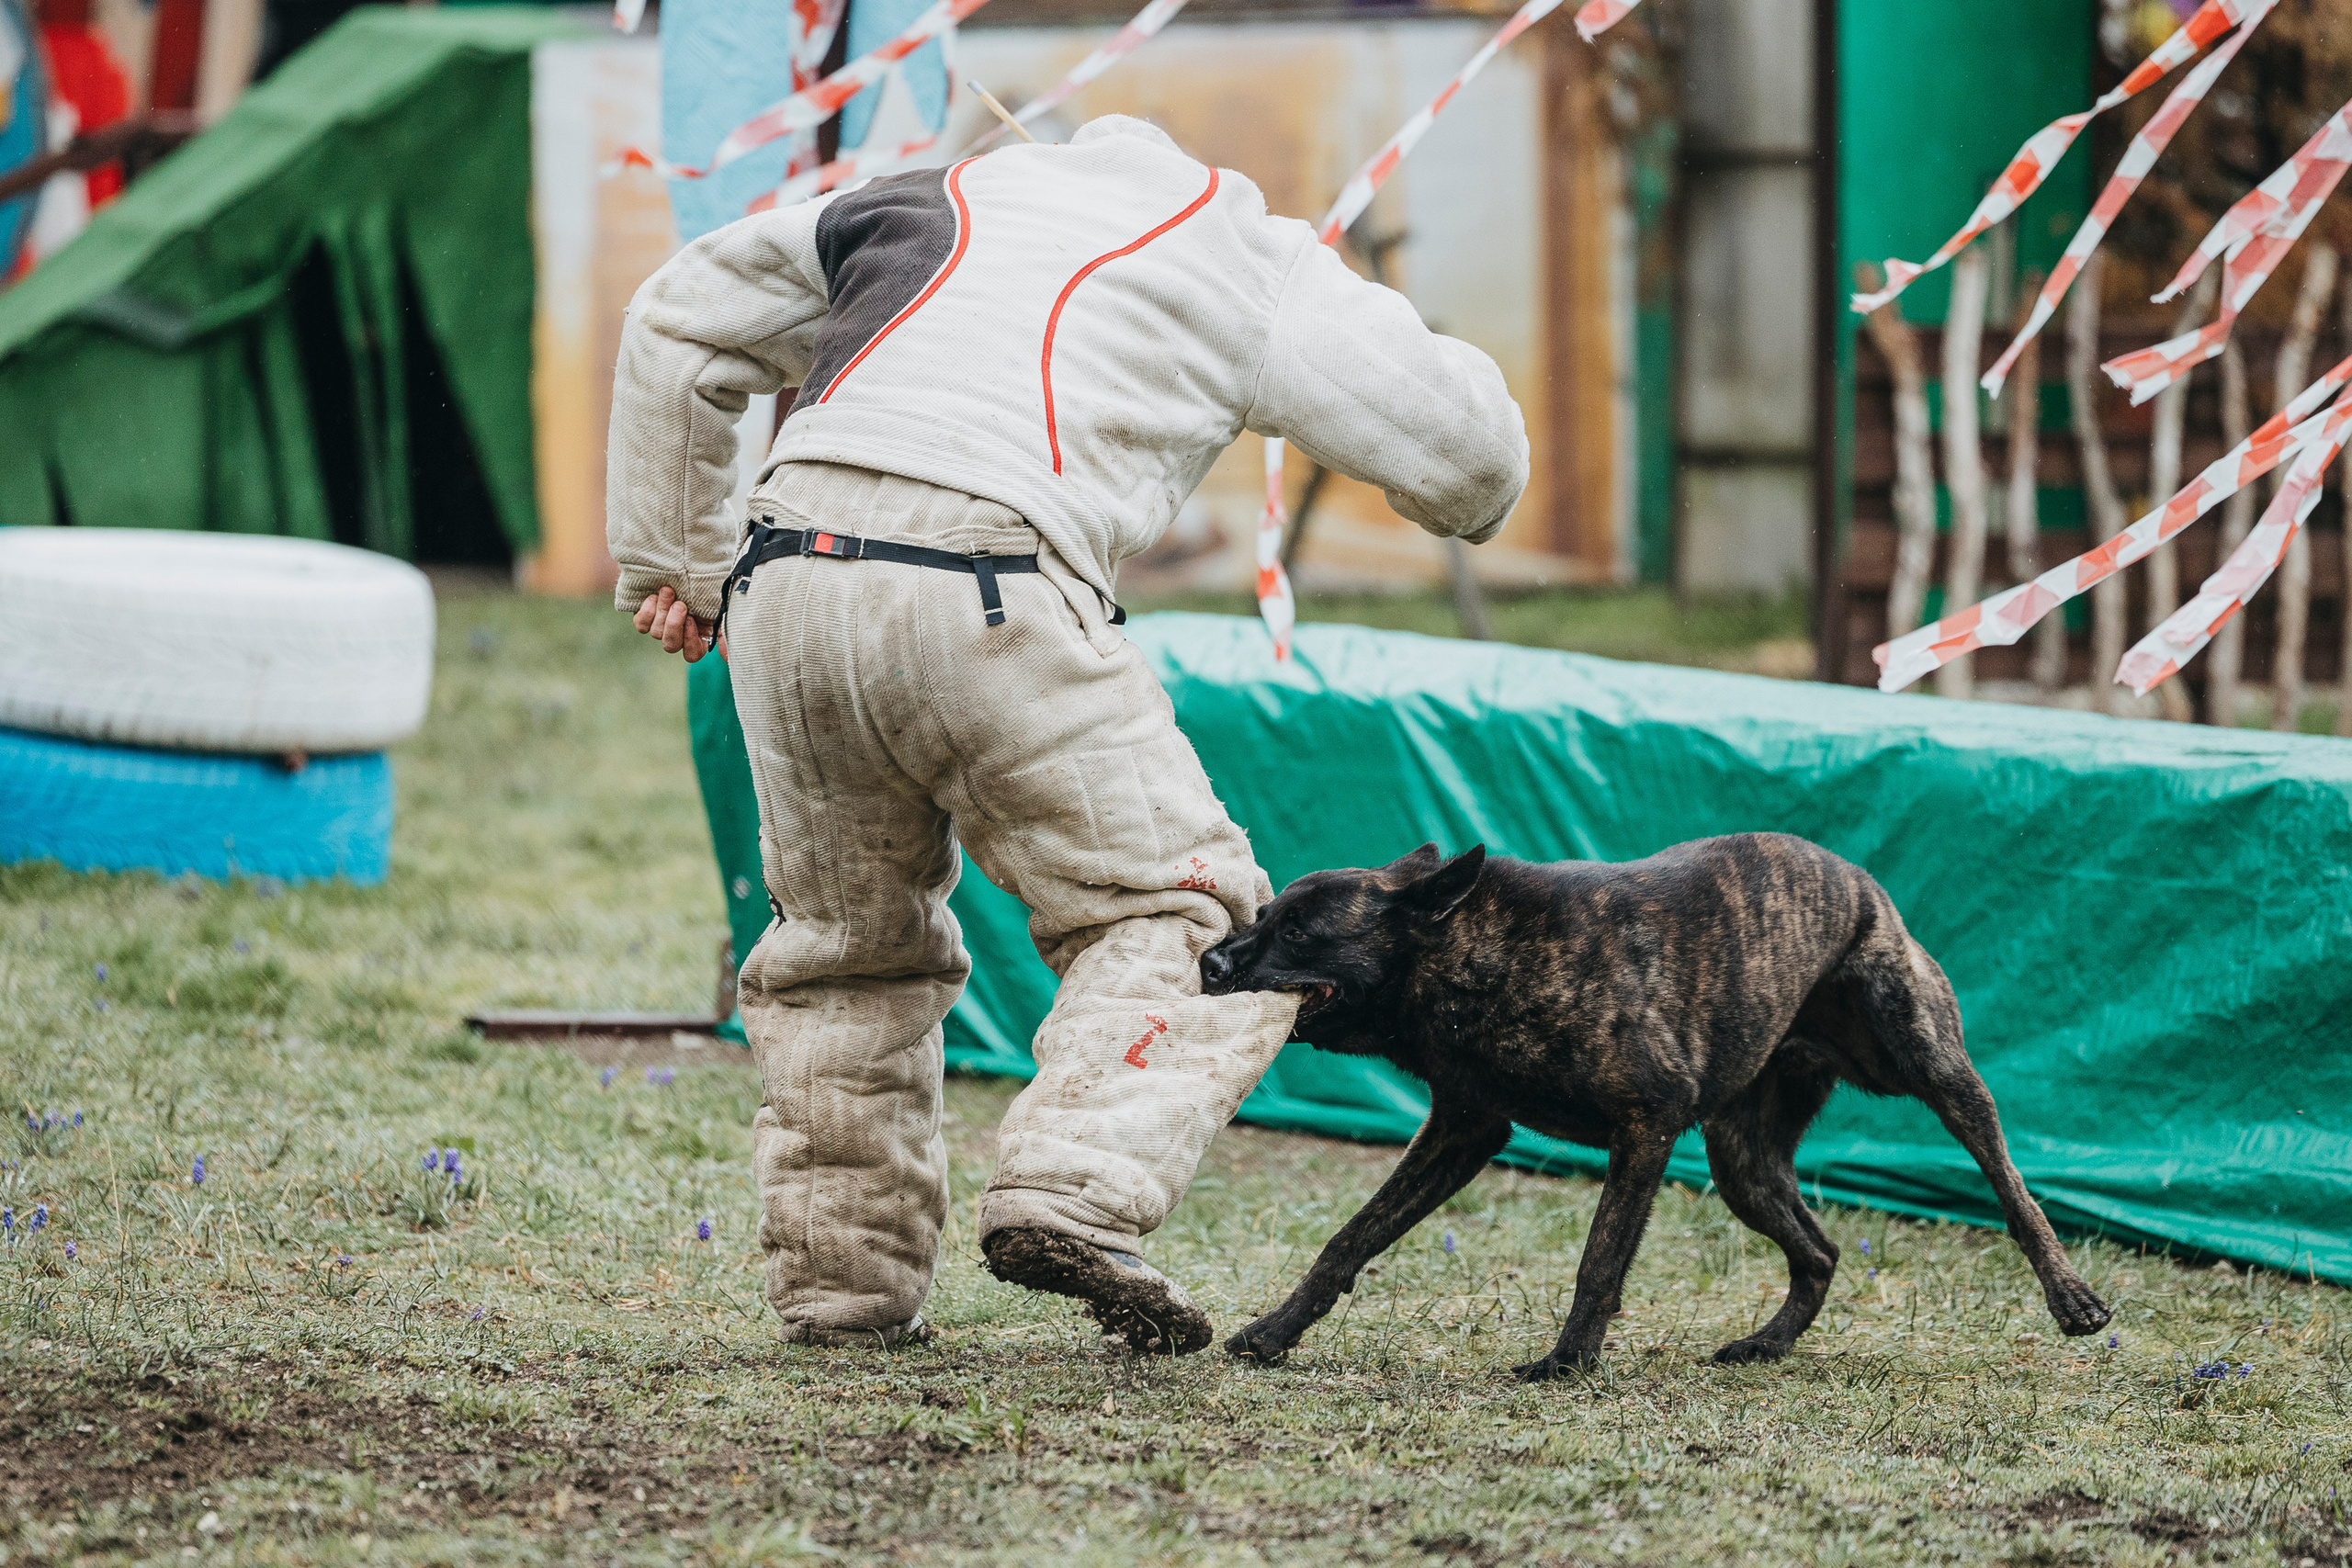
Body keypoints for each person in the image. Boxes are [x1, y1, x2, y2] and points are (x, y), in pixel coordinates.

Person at [608, 115, 1526, 1354]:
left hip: (787, 577)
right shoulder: (1239, 246)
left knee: (841, 952)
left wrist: (679, 557)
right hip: (991, 580)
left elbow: (681, 315)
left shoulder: (914, 200)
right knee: (1184, 909)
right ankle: (1072, 1190)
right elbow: (1471, 461)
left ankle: (845, 1294)